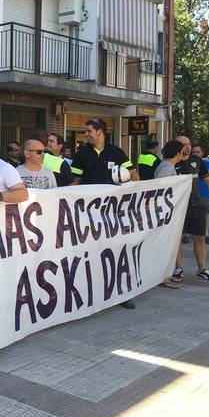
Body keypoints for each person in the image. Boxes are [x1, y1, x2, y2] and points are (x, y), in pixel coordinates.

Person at [70, 118, 138, 309]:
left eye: (89, 131)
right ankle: (89, 293)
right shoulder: (82, 153)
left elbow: (134, 175)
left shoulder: (116, 152)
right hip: (87, 214)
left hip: (113, 213)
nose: (86, 134)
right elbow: (76, 181)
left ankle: (122, 293)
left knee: (117, 251)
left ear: (100, 132)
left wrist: (126, 180)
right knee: (90, 253)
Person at [172, 136, 209, 283]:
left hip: (197, 205)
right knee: (178, 239)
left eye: (189, 144)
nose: (187, 147)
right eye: (184, 144)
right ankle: (178, 268)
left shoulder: (197, 161)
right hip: (179, 207)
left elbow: (207, 179)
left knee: (200, 238)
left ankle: (202, 269)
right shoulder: (171, 163)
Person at [153, 140, 186, 289]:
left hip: (167, 213)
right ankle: (163, 277)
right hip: (164, 214)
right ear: (178, 153)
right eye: (182, 151)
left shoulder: (168, 166)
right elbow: (160, 190)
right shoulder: (166, 168)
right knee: (165, 245)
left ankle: (166, 275)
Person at [192, 144, 209, 244]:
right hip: (191, 194)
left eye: (198, 152)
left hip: (204, 193)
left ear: (202, 153)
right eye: (194, 152)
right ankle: (185, 235)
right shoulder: (188, 163)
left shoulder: (206, 163)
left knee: (204, 215)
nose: (196, 154)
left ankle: (205, 235)